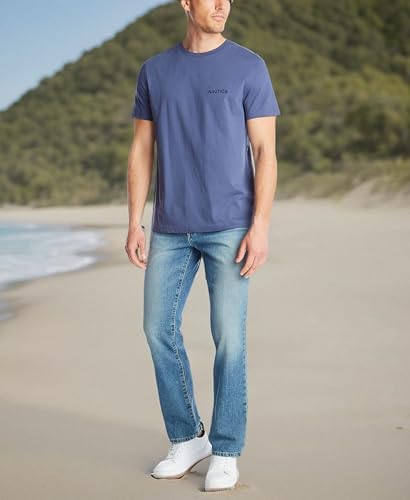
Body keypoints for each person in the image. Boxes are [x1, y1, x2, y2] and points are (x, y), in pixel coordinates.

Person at [125, 0, 280, 492]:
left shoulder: (248, 66)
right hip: (170, 227)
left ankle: (226, 449)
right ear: (186, 3)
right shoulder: (155, 71)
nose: (221, 5)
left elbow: (265, 151)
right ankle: (188, 438)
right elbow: (142, 149)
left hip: (230, 227)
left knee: (228, 338)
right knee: (157, 328)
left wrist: (260, 226)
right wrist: (134, 221)